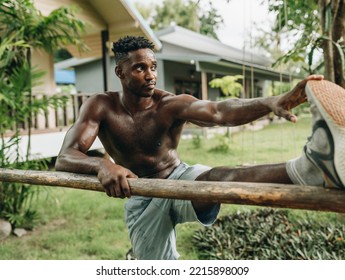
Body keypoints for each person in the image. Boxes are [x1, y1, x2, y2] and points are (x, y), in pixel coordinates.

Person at [55, 36, 345, 260]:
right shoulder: (100, 106)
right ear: (120, 71)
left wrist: (270, 102)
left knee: (217, 179)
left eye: (153, 67)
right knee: (153, 268)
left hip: (180, 179)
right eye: (140, 68)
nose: (150, 74)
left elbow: (220, 111)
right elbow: (66, 156)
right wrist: (103, 165)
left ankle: (310, 167)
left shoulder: (169, 104)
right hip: (141, 195)